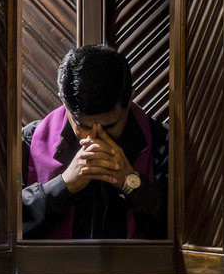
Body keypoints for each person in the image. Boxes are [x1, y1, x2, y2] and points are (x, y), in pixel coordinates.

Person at [21, 44, 168, 240]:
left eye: (109, 127)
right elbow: (2, 228)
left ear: (130, 99)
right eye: (83, 126)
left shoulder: (162, 141)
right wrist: (64, 185)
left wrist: (132, 185)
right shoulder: (30, 140)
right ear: (63, 102)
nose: (95, 137)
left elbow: (186, 228)